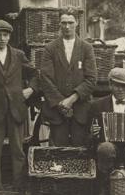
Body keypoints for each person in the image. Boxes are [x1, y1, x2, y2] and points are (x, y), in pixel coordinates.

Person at [0, 20, 38, 195]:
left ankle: (21, 192)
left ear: (9, 36)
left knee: (18, 151)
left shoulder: (18, 55)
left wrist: (31, 89)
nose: (2, 38)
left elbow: (34, 73)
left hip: (16, 109)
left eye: (6, 35)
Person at [40, 8, 97, 146]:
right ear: (59, 24)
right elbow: (45, 78)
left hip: (80, 110)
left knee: (81, 148)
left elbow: (91, 79)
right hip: (57, 111)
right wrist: (61, 103)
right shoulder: (50, 48)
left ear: (77, 23)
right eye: (63, 22)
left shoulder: (86, 48)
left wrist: (71, 100)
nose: (67, 26)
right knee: (59, 151)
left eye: (70, 22)